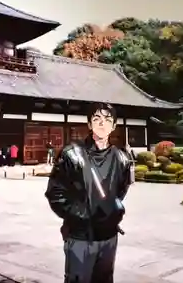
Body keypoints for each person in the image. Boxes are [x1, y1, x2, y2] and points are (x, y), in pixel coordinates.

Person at [45, 103, 133, 283]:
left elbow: (121, 190)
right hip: (80, 236)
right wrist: (81, 215)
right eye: (97, 119)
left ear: (114, 126)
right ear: (89, 124)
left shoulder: (121, 158)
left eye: (108, 120)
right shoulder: (72, 154)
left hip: (109, 236)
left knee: (104, 279)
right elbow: (55, 193)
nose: (102, 124)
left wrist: (110, 210)